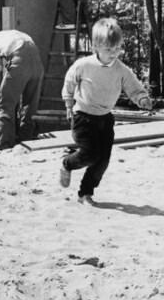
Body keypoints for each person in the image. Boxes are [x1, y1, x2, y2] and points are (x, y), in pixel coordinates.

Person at [59, 18, 151, 205]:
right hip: (83, 117)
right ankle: (67, 163)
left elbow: (133, 86)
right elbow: (69, 81)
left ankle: (85, 194)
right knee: (91, 154)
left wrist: (141, 98)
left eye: (117, 48)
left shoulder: (121, 70)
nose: (114, 53)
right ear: (96, 46)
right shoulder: (83, 65)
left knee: (103, 161)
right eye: (109, 49)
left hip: (105, 119)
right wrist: (68, 102)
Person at [0, 28, 43, 148]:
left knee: (5, 105)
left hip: (20, 58)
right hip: (36, 59)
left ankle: (4, 144)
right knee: (29, 105)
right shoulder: (9, 34)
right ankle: (27, 139)